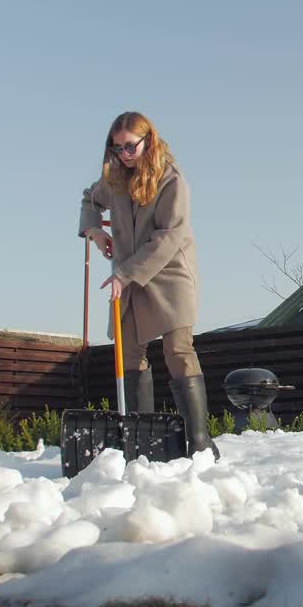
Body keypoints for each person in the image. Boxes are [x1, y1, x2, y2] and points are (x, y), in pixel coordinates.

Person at [79, 110, 219, 460]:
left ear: (148, 141)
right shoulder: (114, 180)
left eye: (130, 147)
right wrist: (95, 231)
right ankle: (141, 442)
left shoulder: (172, 180)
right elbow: (89, 199)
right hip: (127, 276)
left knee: (178, 351)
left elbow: (169, 236)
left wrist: (124, 275)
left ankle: (199, 442)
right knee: (129, 352)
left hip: (170, 274)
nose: (124, 155)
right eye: (117, 149)